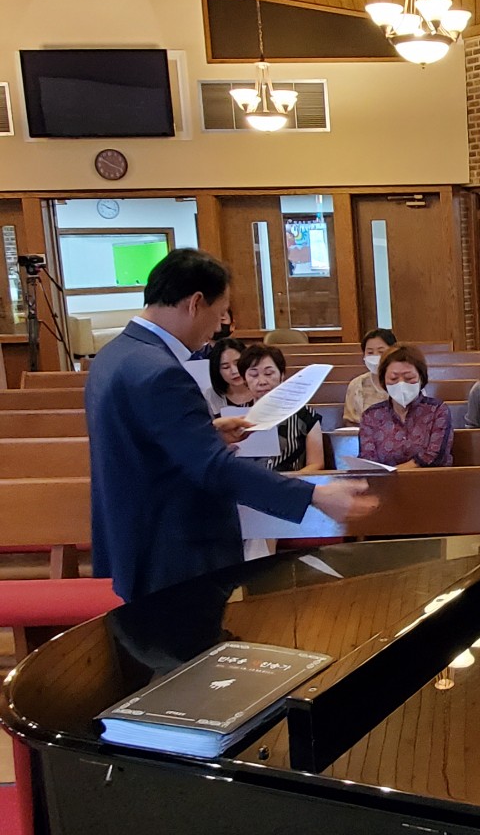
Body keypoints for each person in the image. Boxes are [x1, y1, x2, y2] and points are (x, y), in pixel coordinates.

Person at [84, 248, 375, 603]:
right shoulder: (161, 372)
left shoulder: (114, 354)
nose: (218, 328)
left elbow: (142, 443)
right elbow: (213, 468)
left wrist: (206, 433)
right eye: (219, 314)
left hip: (136, 539)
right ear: (195, 303)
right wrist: (316, 495)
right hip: (175, 550)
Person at [359, 344, 453, 468]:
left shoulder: (437, 410)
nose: (401, 384)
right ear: (383, 380)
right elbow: (368, 459)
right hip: (384, 480)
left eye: (409, 378)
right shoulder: (371, 416)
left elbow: (434, 456)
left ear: (421, 377)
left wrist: (396, 471)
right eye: (393, 379)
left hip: (429, 478)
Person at [237, 343, 324, 473]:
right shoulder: (237, 416)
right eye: (254, 375)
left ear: (282, 375)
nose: (262, 381)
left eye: (269, 373)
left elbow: (316, 464)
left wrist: (287, 481)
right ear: (244, 379)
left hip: (292, 481)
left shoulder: (305, 414)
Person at [344, 327, 397, 426]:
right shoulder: (357, 384)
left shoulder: (406, 382)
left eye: (381, 352)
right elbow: (351, 422)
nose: (375, 356)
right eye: (370, 353)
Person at [202, 337, 254, 414]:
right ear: (217, 370)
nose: (234, 371)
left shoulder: (265, 389)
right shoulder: (210, 396)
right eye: (226, 367)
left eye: (237, 363)